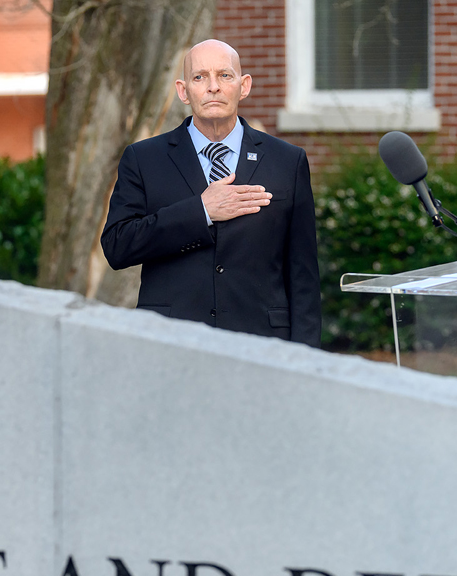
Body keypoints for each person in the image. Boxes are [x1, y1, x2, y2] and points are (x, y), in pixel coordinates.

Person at [101, 39, 320, 346]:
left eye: (225, 76)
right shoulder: (143, 159)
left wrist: (306, 359)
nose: (213, 87)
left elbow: (303, 275)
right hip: (171, 344)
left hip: (263, 344)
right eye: (200, 77)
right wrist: (200, 211)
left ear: (244, 86)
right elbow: (117, 246)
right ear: (183, 91)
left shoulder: (287, 160)